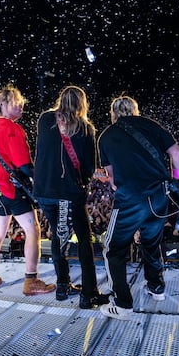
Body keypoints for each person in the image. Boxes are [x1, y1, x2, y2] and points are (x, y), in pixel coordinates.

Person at [96, 95, 179, 320]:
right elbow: (176, 154)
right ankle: (156, 288)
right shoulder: (151, 125)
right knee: (151, 241)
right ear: (135, 110)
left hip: (130, 199)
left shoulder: (106, 136)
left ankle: (122, 303)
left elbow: (113, 179)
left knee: (113, 249)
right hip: (159, 196)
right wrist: (176, 179)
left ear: (113, 114)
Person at [34, 86, 109, 308]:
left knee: (59, 236)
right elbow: (88, 169)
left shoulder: (45, 119)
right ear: (82, 103)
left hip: (45, 191)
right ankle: (88, 294)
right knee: (84, 240)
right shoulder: (85, 128)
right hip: (67, 193)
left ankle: (62, 285)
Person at [0, 84, 55, 296]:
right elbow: (23, 165)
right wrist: (43, 178)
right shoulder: (13, 129)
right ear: (3, 104)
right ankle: (31, 280)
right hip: (13, 187)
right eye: (16, 101)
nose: (21, 105)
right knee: (33, 230)